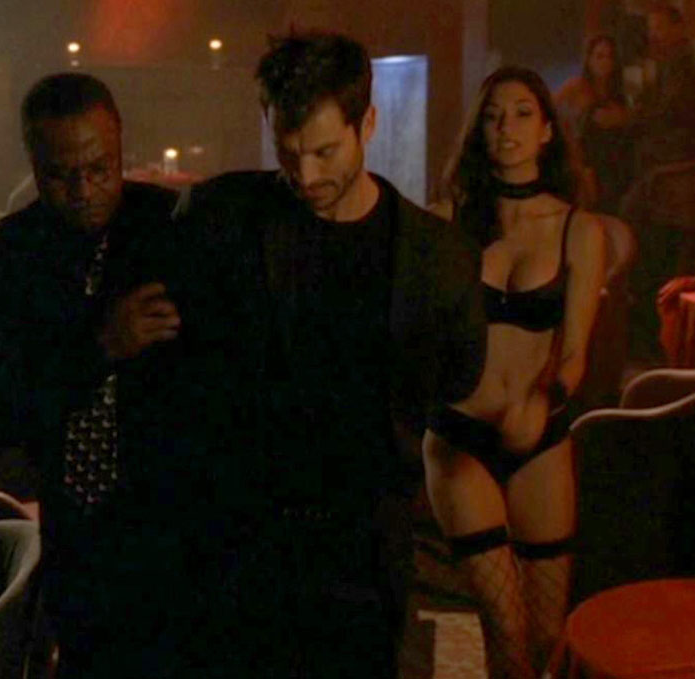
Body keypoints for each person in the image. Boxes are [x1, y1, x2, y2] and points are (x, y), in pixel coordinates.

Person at [163, 30, 486, 677]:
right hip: (239, 542)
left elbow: (460, 377)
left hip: (364, 548)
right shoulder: (222, 215)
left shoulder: (435, 255)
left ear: (368, 123)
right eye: (288, 152)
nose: (306, 175)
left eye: (324, 151)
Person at [0, 73, 187, 676]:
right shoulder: (3, 265)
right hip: (75, 528)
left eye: (100, 168)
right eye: (61, 174)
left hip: (179, 517)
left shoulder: (173, 231)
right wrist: (99, 347)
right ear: (33, 163)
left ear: (121, 147)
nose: (84, 190)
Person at [424, 66, 606, 678]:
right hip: (460, 436)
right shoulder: (446, 219)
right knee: (504, 625)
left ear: (548, 130)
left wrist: (549, 396)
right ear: (479, 130)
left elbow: (575, 351)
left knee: (549, 634)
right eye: (494, 116)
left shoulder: (580, 229)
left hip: (539, 435)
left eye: (524, 113)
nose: (507, 127)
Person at [555, 35, 633, 213]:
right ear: (589, 60)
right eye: (599, 56)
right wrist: (569, 141)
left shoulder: (618, 93)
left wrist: (622, 118)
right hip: (586, 162)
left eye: (609, 57)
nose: (604, 62)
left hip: (614, 165)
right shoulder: (577, 86)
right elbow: (549, 109)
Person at [635, 3, 695, 169]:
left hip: (679, 145)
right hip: (671, 139)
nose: (653, 35)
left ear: (678, 28)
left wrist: (629, 118)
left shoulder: (683, 60)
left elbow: (669, 110)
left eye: (659, 28)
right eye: (651, 29)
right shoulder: (666, 58)